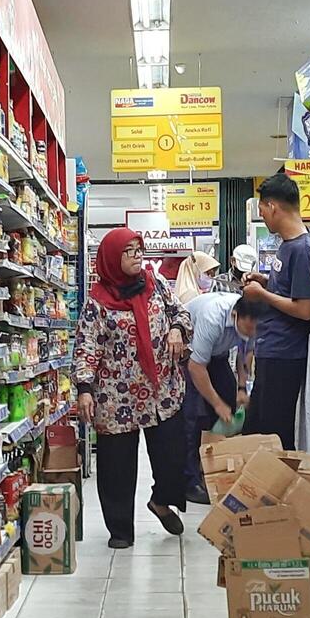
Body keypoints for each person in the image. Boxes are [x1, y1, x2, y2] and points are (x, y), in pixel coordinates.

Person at [74, 226, 194, 548]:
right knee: (117, 467)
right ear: (113, 258)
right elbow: (87, 346)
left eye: (139, 249)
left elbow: (180, 312)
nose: (137, 255)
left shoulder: (157, 287)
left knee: (173, 456)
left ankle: (160, 500)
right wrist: (84, 388)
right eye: (129, 251)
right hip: (117, 396)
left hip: (161, 390)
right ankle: (121, 530)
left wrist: (178, 329)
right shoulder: (97, 302)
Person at [240, 172, 310, 448]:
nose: (262, 215)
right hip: (271, 349)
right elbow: (288, 291)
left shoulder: (305, 249)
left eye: (261, 209)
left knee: (275, 435)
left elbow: (305, 309)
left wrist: (262, 294)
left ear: (272, 207)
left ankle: (279, 489)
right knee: (255, 430)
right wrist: (265, 282)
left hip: (286, 354)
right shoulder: (286, 247)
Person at [181, 290, 264, 502]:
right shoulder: (213, 317)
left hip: (217, 353)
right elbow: (196, 367)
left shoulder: (251, 320)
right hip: (189, 355)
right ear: (235, 316)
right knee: (192, 415)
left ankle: (217, 469)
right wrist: (216, 404)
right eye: (247, 327)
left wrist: (241, 389)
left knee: (230, 405)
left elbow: (246, 353)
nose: (250, 331)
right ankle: (189, 482)